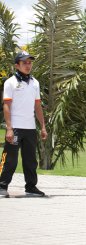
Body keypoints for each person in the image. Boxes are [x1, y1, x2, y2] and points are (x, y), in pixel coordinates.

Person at [0, 51, 47, 197]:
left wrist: (43, 127)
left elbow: (37, 106)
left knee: (30, 160)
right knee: (8, 158)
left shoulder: (35, 83)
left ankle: (31, 187)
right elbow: (6, 106)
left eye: (29, 62)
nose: (28, 65)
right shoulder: (10, 82)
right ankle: (1, 186)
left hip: (30, 129)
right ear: (17, 65)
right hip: (15, 128)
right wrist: (9, 128)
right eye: (24, 62)